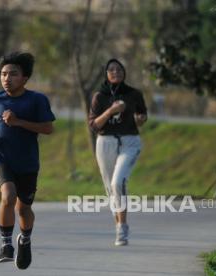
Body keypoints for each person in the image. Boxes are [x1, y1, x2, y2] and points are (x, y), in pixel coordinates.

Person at [0, 52, 55, 269]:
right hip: (2, 158)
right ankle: (6, 245)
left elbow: (48, 128)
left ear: (24, 78)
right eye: (3, 74)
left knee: (23, 209)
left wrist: (18, 122)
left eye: (13, 74)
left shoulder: (37, 100)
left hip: (28, 163)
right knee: (8, 196)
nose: (6, 78)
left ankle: (24, 239)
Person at [88, 58, 147, 246]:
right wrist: (111, 111)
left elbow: (142, 115)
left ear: (124, 72)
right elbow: (94, 125)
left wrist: (140, 119)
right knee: (109, 188)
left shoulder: (134, 94)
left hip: (130, 141)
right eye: (111, 70)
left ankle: (123, 227)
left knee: (118, 182)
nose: (115, 72)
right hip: (105, 142)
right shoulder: (100, 97)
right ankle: (119, 228)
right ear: (106, 74)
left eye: (119, 69)